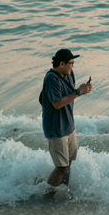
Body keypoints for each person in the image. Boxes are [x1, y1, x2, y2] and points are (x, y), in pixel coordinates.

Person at [40, 48, 92, 195]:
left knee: (68, 162)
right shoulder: (51, 79)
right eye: (71, 63)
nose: (73, 66)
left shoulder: (69, 74)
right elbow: (57, 103)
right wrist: (78, 92)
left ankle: (63, 191)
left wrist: (83, 90)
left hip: (68, 125)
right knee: (61, 166)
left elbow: (70, 95)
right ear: (61, 64)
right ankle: (48, 196)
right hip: (56, 128)